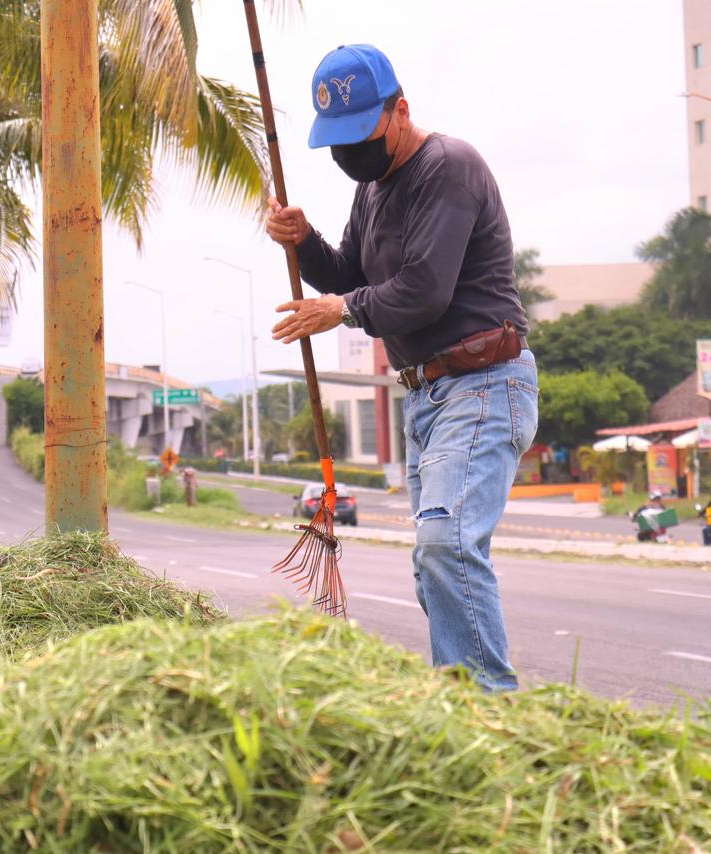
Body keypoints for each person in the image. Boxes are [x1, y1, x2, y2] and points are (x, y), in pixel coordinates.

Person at [264, 44, 538, 692]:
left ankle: (489, 708)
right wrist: (304, 242)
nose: (350, 153)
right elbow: (349, 277)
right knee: (433, 563)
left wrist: (341, 309)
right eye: (339, 141)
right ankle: (458, 695)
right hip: (425, 397)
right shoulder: (372, 190)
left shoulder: (448, 168)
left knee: (447, 546)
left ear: (401, 110)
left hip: (482, 383)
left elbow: (423, 291)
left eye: (362, 135)